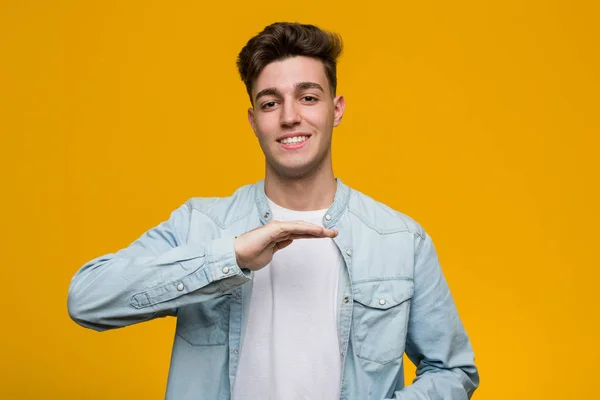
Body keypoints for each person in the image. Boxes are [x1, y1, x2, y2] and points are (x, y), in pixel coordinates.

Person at [68, 21, 479, 400]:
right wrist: (228, 258)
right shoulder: (201, 224)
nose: (289, 117)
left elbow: (453, 370)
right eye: (269, 103)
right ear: (253, 120)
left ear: (335, 109)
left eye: (308, 97)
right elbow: (86, 299)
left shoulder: (401, 240)